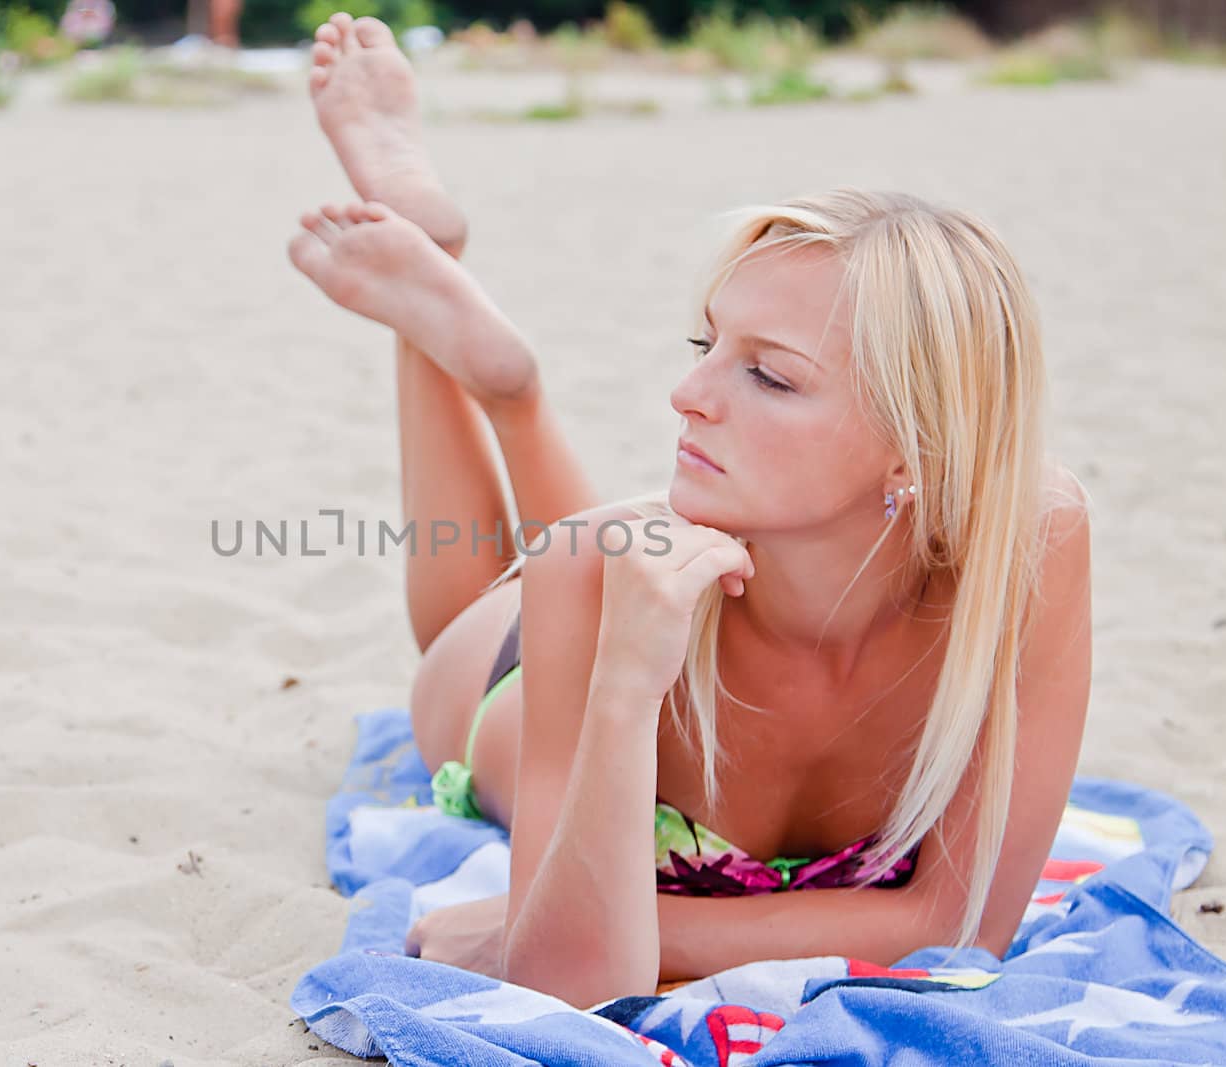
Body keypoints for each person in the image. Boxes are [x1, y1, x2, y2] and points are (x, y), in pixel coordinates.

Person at [290, 13, 1093, 1011]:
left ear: (919, 452)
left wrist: (558, 915)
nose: (688, 394)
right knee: (487, 606)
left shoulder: (1029, 536)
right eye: (703, 343)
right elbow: (571, 978)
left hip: (626, 571)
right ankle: (487, 369)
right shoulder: (587, 566)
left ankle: (496, 370)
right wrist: (624, 685)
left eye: (767, 373)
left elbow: (964, 924)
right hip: (523, 668)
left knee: (597, 556)